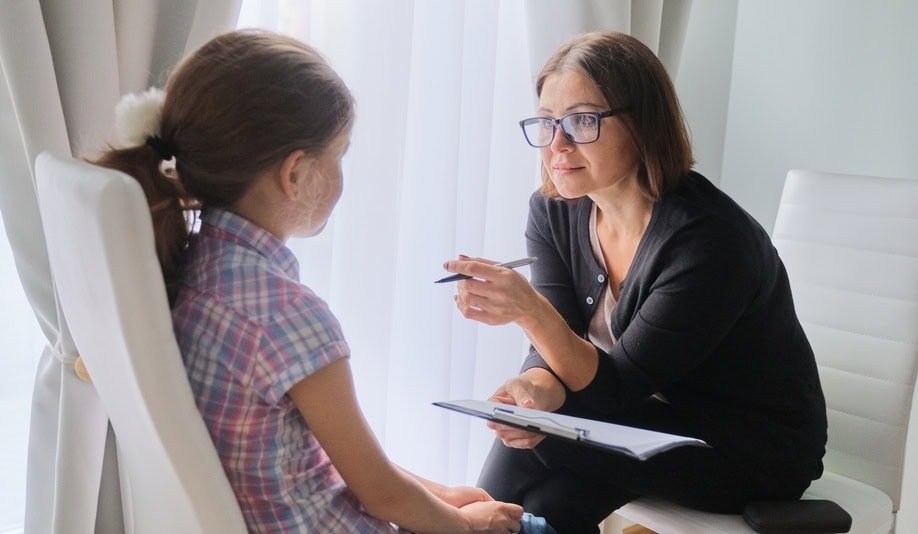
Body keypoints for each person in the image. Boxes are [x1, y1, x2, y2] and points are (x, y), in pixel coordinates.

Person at [92, 29, 546, 534]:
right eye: (340, 154)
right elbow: (380, 494)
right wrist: (466, 527)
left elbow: (335, 462)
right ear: (295, 174)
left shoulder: (191, 271)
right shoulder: (287, 315)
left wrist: (439, 496)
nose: (343, 172)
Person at [441, 31, 827, 533]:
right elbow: (562, 348)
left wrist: (528, 310)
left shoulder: (709, 240)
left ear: (643, 124)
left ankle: (450, 525)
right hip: (642, 423)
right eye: (547, 122)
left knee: (543, 447)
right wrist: (532, 392)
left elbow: (610, 390)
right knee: (552, 493)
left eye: (582, 121)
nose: (557, 144)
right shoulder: (554, 210)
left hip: (749, 447)